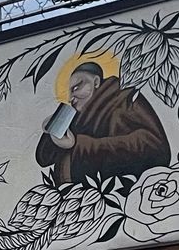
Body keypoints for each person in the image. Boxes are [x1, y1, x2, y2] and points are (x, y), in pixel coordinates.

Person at [34, 61, 170, 184]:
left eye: (76, 88)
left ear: (96, 82)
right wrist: (52, 129)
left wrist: (79, 144)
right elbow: (44, 159)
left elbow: (154, 147)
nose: (71, 98)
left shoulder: (123, 99)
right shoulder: (76, 118)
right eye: (69, 92)